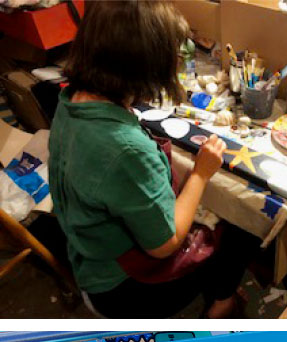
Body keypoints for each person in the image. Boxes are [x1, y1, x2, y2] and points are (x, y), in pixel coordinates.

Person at [49, 0, 256, 318]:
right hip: (125, 291)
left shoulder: (71, 100)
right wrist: (201, 173)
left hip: (88, 258)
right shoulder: (126, 149)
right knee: (246, 224)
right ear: (145, 65)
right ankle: (221, 303)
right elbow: (166, 244)